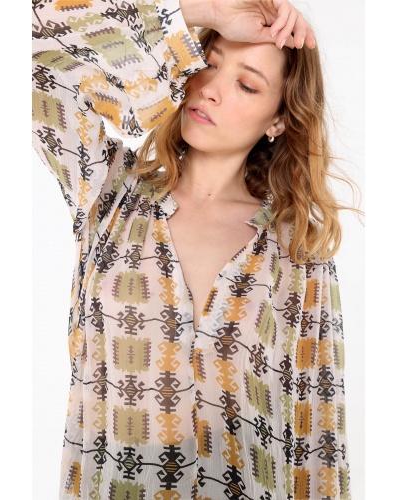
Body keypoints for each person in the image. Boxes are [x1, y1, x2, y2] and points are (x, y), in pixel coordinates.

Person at [32, 0, 351, 498]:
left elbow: (320, 440)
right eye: (209, 62)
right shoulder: (110, 195)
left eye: (247, 85)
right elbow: (31, 40)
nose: (211, 89)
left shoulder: (297, 250)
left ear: (278, 120)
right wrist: (202, 10)